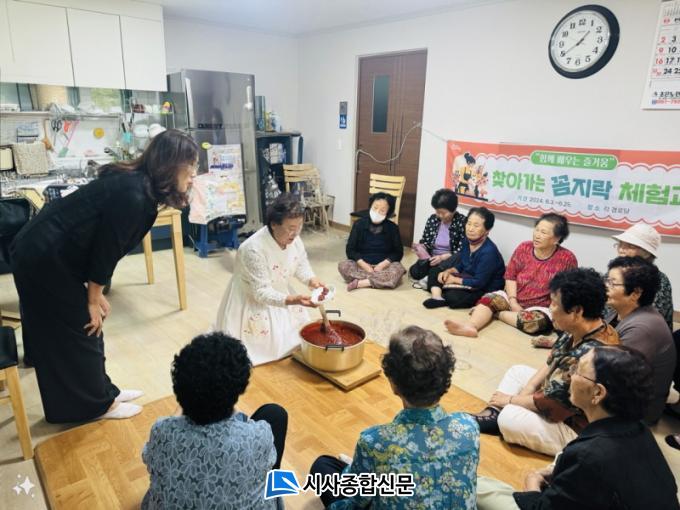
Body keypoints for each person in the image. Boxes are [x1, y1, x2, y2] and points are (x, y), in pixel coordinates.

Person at [10, 129, 198, 423]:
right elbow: (106, 250)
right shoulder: (135, 194)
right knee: (83, 326)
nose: (193, 174)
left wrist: (94, 294)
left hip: (50, 253)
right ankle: (95, 406)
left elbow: (100, 245)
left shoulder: (140, 187)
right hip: (41, 256)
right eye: (190, 166)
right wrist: (93, 298)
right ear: (171, 165)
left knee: (86, 325)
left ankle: (103, 391)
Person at [477, 346, 679, 510]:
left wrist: (532, 483)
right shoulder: (639, 430)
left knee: (478, 488)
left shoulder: (588, 455)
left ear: (598, 393)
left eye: (577, 371)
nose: (569, 376)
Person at [309, 326, 480, 509]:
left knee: (323, 467)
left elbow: (356, 503)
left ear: (393, 383)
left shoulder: (374, 441)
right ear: (446, 375)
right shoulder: (468, 426)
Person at [472, 268, 619, 456]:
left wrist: (510, 400)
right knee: (518, 371)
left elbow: (553, 405)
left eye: (554, 304)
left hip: (577, 428)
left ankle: (499, 415)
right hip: (558, 403)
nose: (550, 308)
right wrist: (528, 389)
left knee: (509, 418)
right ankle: (493, 414)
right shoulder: (581, 327)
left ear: (576, 311)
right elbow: (552, 361)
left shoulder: (590, 355)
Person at [142, 332, 287, 510]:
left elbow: (148, 457)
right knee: (275, 414)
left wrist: (186, 401)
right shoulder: (258, 435)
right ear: (240, 387)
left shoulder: (161, 431)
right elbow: (268, 460)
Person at [216, 193, 323, 366]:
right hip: (253, 297)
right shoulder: (253, 249)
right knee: (260, 350)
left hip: (281, 291)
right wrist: (292, 300)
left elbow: (300, 263)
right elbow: (261, 292)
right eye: (291, 228)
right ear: (274, 224)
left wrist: (312, 280)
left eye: (299, 226)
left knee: (293, 339)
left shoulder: (294, 239)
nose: (296, 233)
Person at [444, 213, 577, 338]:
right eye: (537, 230)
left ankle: (497, 314)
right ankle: (471, 326)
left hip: (540, 307)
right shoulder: (524, 247)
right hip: (512, 297)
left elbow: (565, 291)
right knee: (488, 299)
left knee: (535, 323)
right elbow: (510, 276)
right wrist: (513, 301)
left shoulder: (567, 259)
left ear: (557, 238)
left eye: (544, 232)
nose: (537, 235)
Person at [605, 256, 675, 423]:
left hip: (633, 414)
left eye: (612, 283)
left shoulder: (643, 328)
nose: (605, 286)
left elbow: (610, 375)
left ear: (636, 293)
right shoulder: (619, 311)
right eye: (607, 280)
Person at [423, 207, 505, 309]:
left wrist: (454, 279)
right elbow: (463, 264)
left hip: (484, 287)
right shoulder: (467, 241)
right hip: (468, 277)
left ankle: (441, 291)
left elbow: (479, 282)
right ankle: (437, 297)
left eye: (476, 226)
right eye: (469, 223)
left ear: (487, 230)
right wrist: (449, 271)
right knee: (435, 272)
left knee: (453, 297)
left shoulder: (489, 252)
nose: (470, 229)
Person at [338, 192, 406, 291]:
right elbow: (350, 250)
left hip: (384, 267)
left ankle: (361, 283)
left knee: (398, 269)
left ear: (388, 213)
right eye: (375, 208)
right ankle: (380, 281)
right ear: (370, 206)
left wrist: (382, 265)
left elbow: (398, 252)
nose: (377, 212)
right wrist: (365, 266)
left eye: (382, 210)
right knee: (343, 266)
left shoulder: (393, 228)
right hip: (362, 266)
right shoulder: (359, 224)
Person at [612, 223, 674, 330]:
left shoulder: (658, 281)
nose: (621, 249)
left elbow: (649, 323)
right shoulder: (615, 273)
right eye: (620, 244)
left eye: (630, 246)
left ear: (647, 253)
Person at [408, 188, 466, 283]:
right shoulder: (433, 219)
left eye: (444, 213)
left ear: (454, 209)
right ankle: (433, 277)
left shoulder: (462, 222)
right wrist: (421, 248)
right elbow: (425, 241)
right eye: (437, 212)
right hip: (432, 258)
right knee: (414, 272)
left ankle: (433, 277)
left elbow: (462, 251)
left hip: (449, 260)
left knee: (444, 270)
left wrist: (442, 258)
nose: (440, 215)